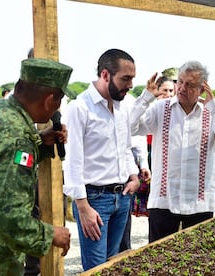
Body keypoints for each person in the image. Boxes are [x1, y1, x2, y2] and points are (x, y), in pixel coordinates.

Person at [0, 58, 72, 275]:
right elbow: (3, 218)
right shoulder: (18, 139)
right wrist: (50, 234)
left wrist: (39, 143)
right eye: (59, 101)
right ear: (49, 101)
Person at [131, 60, 215, 242]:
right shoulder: (160, 108)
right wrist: (145, 99)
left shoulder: (211, 112)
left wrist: (213, 106)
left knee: (197, 262)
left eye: (190, 85)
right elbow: (129, 128)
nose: (182, 88)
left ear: (202, 89)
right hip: (163, 201)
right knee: (158, 261)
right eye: (180, 82)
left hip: (199, 204)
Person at [63, 48, 140, 271]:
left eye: (132, 78)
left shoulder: (122, 107)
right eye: (125, 78)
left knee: (112, 265)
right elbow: (73, 161)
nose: (131, 85)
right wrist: (82, 206)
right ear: (105, 75)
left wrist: (134, 176)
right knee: (96, 268)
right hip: (94, 201)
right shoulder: (79, 108)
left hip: (121, 197)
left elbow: (125, 148)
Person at [119, 93, 151, 252]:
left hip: (126, 171)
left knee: (123, 221)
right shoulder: (86, 103)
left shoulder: (131, 102)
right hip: (97, 183)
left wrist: (142, 165)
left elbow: (137, 139)